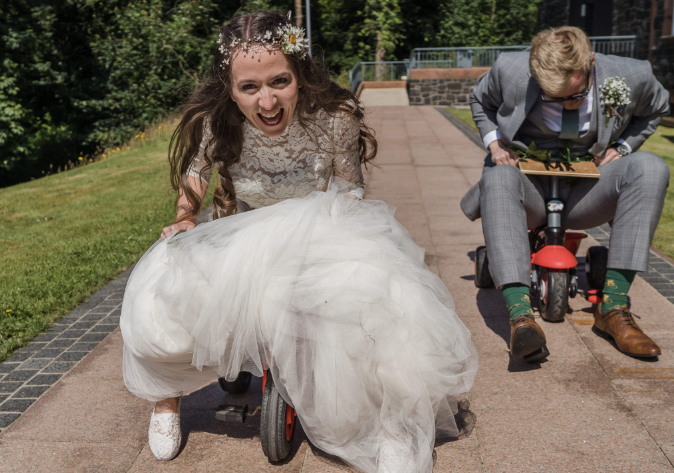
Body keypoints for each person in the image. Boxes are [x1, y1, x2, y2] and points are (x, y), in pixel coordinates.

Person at [120, 11, 478, 473]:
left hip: (321, 228)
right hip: (246, 235)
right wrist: (186, 216)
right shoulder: (220, 120)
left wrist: (335, 237)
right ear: (230, 89)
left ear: (300, 74)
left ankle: (389, 425)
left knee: (380, 299)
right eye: (249, 87)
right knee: (165, 285)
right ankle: (166, 399)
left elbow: (350, 190)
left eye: (279, 81)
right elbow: (196, 173)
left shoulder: (335, 117)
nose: (267, 101)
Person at [461, 26, 670, 362]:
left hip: (588, 189)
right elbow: (478, 100)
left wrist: (622, 145)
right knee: (499, 178)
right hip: (526, 185)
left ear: (589, 64)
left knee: (651, 167)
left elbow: (656, 109)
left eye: (571, 97)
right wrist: (495, 144)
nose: (561, 105)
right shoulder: (509, 69)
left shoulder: (632, 75)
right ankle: (521, 317)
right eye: (549, 97)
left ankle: (613, 309)